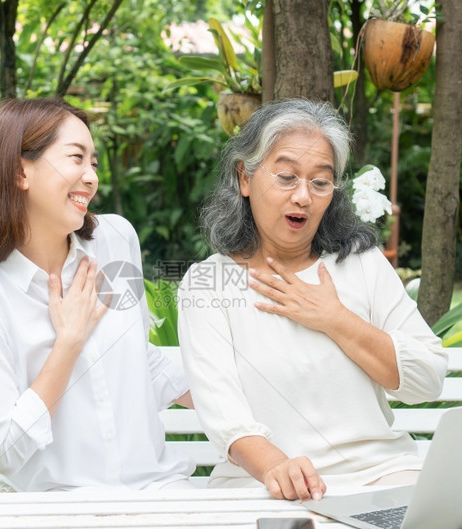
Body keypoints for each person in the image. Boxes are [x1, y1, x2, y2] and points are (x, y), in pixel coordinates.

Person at [177, 98, 447, 501]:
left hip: (383, 476)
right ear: (245, 178)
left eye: (320, 182)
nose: (303, 196)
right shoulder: (208, 282)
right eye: (286, 177)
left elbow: (427, 378)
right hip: (261, 487)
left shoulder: (362, 264)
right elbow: (223, 414)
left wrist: (334, 318)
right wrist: (275, 467)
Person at [0, 98, 195, 492]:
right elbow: (5, 450)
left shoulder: (115, 240)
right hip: (56, 513)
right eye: (76, 158)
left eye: (93, 163)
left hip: (157, 492)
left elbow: (138, 360)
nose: (91, 177)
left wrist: (235, 382)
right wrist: (69, 343)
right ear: (19, 171)